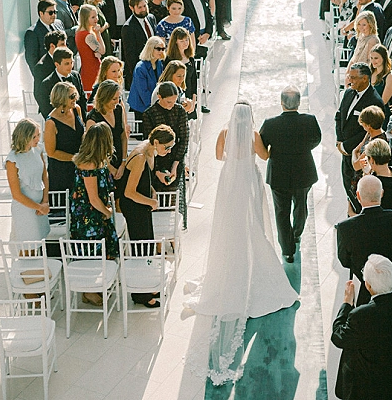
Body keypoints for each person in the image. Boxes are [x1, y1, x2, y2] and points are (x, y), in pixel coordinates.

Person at [186, 101, 298, 385]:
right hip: (248, 181)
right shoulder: (254, 135)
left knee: (229, 223)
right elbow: (264, 156)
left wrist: (234, 160)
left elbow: (218, 156)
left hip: (230, 181)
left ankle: (230, 260)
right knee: (253, 225)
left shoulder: (224, 132)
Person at [331, 255, 392, 400]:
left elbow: (338, 337)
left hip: (367, 388)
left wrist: (346, 303)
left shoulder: (360, 315)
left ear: (368, 286)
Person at [259, 86, 322, 263]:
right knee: (301, 206)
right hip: (304, 172)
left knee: (281, 212)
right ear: (299, 103)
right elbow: (317, 140)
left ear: (281, 102)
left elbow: (262, 144)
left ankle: (287, 250)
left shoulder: (270, 123)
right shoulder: (309, 120)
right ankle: (297, 233)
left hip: (278, 174)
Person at [117, 124, 175, 307]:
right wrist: (151, 202)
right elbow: (129, 192)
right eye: (167, 147)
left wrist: (152, 192)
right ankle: (140, 294)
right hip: (133, 207)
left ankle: (147, 285)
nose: (169, 151)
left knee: (148, 245)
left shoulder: (150, 150)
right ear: (156, 142)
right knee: (140, 248)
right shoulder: (141, 157)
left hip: (141, 204)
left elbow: (143, 179)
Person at [336, 176, 392, 306]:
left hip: (366, 292)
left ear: (358, 196)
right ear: (382, 193)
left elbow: (345, 261)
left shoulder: (345, 228)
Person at [70, 123, 119, 306]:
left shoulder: (97, 160)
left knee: (99, 250)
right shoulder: (89, 164)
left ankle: (93, 287)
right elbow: (92, 198)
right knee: (91, 252)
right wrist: (107, 212)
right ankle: (88, 291)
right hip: (89, 215)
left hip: (95, 212)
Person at [335, 63, 385, 210]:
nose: (349, 80)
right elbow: (339, 116)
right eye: (349, 76)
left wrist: (347, 146)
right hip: (345, 151)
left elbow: (368, 131)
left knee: (359, 193)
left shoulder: (375, 101)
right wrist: (339, 141)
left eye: (353, 77)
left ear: (365, 79)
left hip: (358, 154)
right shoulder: (348, 93)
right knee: (348, 189)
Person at [141, 82, 189, 226]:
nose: (172, 105)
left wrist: (175, 165)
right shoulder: (149, 114)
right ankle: (157, 231)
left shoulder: (179, 111)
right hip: (155, 161)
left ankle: (171, 230)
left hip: (175, 159)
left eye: (174, 101)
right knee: (155, 200)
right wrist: (156, 171)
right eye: (169, 102)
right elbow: (149, 144)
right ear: (159, 97)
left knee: (172, 200)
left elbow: (184, 139)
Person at [5, 119, 50, 241]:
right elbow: (16, 194)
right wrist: (39, 207)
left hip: (41, 205)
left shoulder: (38, 149)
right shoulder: (12, 160)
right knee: (27, 245)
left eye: (38, 135)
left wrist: (45, 201)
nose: (38, 139)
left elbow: (44, 176)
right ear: (24, 137)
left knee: (41, 240)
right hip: (24, 210)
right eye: (34, 137)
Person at [43, 81, 85, 195]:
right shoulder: (51, 122)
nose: (75, 98)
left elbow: (82, 132)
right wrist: (75, 159)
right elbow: (51, 152)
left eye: (75, 95)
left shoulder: (76, 109)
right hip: (61, 170)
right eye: (72, 96)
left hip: (80, 164)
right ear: (61, 98)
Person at [86, 80, 128, 181]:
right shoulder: (93, 118)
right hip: (102, 165)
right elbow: (94, 148)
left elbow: (123, 135)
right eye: (114, 99)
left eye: (118, 98)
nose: (117, 102)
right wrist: (110, 168)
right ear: (104, 97)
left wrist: (123, 162)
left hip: (120, 161)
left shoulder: (118, 110)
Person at [38, 45, 87, 119]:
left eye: (72, 62)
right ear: (57, 64)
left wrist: (82, 119)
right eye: (67, 63)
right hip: (59, 122)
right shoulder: (47, 84)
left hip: (77, 119)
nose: (71, 66)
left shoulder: (76, 75)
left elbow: (82, 99)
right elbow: (46, 109)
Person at [120, 0, 157, 89]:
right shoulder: (128, 27)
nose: (143, 9)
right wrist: (138, 73)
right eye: (139, 7)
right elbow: (130, 55)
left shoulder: (151, 18)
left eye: (145, 6)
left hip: (155, 65)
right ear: (131, 8)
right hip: (141, 68)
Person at [127, 36, 166, 119]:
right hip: (141, 107)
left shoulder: (159, 64)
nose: (161, 51)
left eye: (163, 49)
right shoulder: (140, 68)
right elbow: (143, 92)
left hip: (154, 105)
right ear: (150, 48)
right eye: (158, 49)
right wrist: (155, 107)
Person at [24, 0, 65, 72]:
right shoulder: (32, 33)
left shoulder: (59, 24)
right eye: (50, 13)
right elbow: (32, 60)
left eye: (55, 12)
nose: (54, 15)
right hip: (47, 73)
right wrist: (40, 75)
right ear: (41, 13)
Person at [75, 4, 106, 94]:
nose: (96, 19)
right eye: (93, 17)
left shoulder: (79, 32)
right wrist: (98, 33)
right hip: (92, 70)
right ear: (85, 19)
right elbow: (102, 50)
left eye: (96, 16)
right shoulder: (88, 36)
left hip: (87, 69)